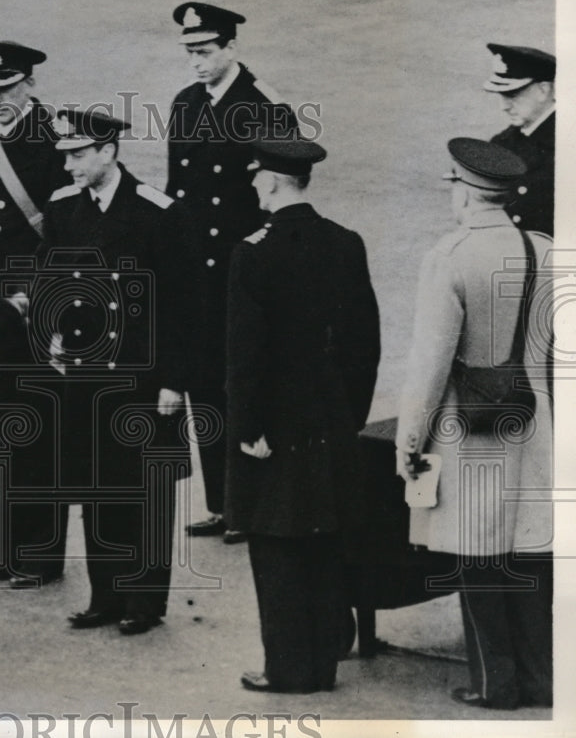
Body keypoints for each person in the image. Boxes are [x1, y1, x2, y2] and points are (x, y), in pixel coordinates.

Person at [396, 138, 553, 709]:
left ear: (464, 192)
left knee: (478, 556)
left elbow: (429, 366)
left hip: (472, 429)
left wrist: (409, 440)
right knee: (530, 553)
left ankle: (495, 682)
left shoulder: (450, 256)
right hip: (534, 425)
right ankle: (542, 676)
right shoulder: (544, 249)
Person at [34, 109, 200, 635]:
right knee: (95, 485)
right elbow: (48, 278)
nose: (68, 166)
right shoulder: (62, 208)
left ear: (109, 152)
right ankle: (106, 593)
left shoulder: (158, 212)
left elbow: (183, 306)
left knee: (145, 491)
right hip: (84, 377)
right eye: (65, 155)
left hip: (145, 378)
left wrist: (175, 380)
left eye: (78, 155)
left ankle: (145, 602)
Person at [226, 138, 380, 693]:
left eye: (254, 178)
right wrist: (348, 413)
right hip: (332, 418)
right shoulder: (344, 242)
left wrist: (245, 428)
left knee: (277, 545)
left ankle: (289, 669)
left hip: (275, 425)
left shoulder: (254, 251)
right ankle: (323, 663)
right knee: (324, 538)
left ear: (269, 182)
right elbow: (366, 343)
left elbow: (246, 355)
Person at [165, 2, 296, 542]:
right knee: (203, 384)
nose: (196, 63)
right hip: (199, 272)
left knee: (247, 384)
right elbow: (179, 190)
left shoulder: (264, 108)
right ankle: (222, 503)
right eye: (190, 52)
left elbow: (279, 200)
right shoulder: (185, 104)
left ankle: (253, 503)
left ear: (231, 48)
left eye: (205, 52)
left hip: (244, 271)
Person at [0, 40, 70, 589]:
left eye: (6, 88)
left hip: (32, 304)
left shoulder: (55, 139)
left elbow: (64, 226)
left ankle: (38, 554)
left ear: (29, 84)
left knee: (36, 432)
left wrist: (37, 292)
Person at [482, 43, 555, 236]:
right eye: (500, 96)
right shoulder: (502, 144)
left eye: (512, 95)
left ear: (543, 90)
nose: (504, 107)